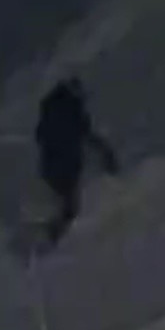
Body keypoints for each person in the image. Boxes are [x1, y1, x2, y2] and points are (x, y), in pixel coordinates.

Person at [37, 76, 117, 244]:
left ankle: (55, 235)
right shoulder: (70, 110)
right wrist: (105, 153)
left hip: (53, 165)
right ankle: (57, 240)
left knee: (67, 203)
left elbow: (41, 136)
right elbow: (84, 134)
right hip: (64, 165)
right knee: (69, 204)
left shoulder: (53, 109)